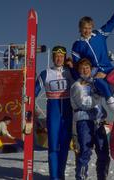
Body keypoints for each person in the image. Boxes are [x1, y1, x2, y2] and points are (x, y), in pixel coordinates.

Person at [71, 0, 114, 132]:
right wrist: (90, 75)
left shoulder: (99, 34)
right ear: (80, 28)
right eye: (84, 28)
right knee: (101, 84)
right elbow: (79, 67)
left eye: (89, 27)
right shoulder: (77, 45)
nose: (87, 30)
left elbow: (112, 22)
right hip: (96, 74)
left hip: (109, 68)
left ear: (92, 27)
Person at [35, 45, 74, 180]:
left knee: (64, 147)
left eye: (61, 56)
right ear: (53, 57)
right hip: (54, 112)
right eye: (56, 56)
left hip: (68, 113)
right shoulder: (45, 73)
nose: (59, 59)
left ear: (64, 58)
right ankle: (54, 177)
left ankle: (60, 175)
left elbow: (83, 81)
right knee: (53, 146)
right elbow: (34, 92)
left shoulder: (70, 72)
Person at [70, 58, 110, 180]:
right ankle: (81, 177)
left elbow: (110, 91)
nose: (85, 70)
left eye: (87, 67)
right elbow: (85, 104)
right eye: (82, 68)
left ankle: (102, 177)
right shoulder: (76, 85)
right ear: (78, 70)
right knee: (85, 152)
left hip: (98, 121)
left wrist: (106, 78)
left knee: (103, 153)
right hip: (84, 121)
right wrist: (98, 93)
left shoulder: (95, 82)